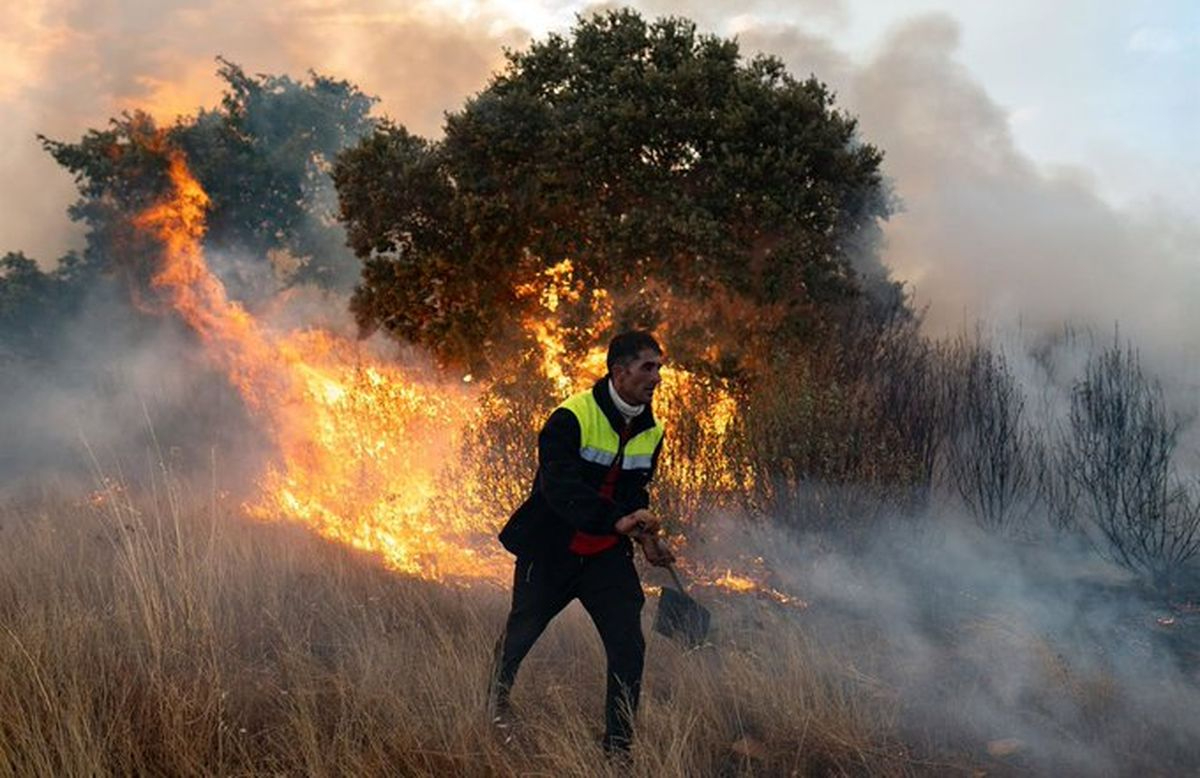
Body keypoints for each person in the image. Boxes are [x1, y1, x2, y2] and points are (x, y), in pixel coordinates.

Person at [489, 330, 675, 756]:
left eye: (659, 368)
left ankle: (618, 747)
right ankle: (492, 706)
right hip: (553, 549)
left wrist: (646, 540)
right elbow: (559, 488)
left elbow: (635, 494)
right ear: (619, 370)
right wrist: (619, 519)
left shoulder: (653, 430)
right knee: (519, 636)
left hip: (605, 557)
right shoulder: (570, 417)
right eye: (648, 367)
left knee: (629, 646)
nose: (657, 378)